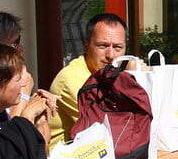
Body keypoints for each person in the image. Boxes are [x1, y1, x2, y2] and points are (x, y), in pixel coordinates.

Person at [48, 12, 128, 148]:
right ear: (86, 45)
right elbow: (110, 128)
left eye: (117, 47)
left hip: (97, 152)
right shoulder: (71, 79)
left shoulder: (112, 74)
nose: (110, 55)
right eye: (102, 46)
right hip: (67, 157)